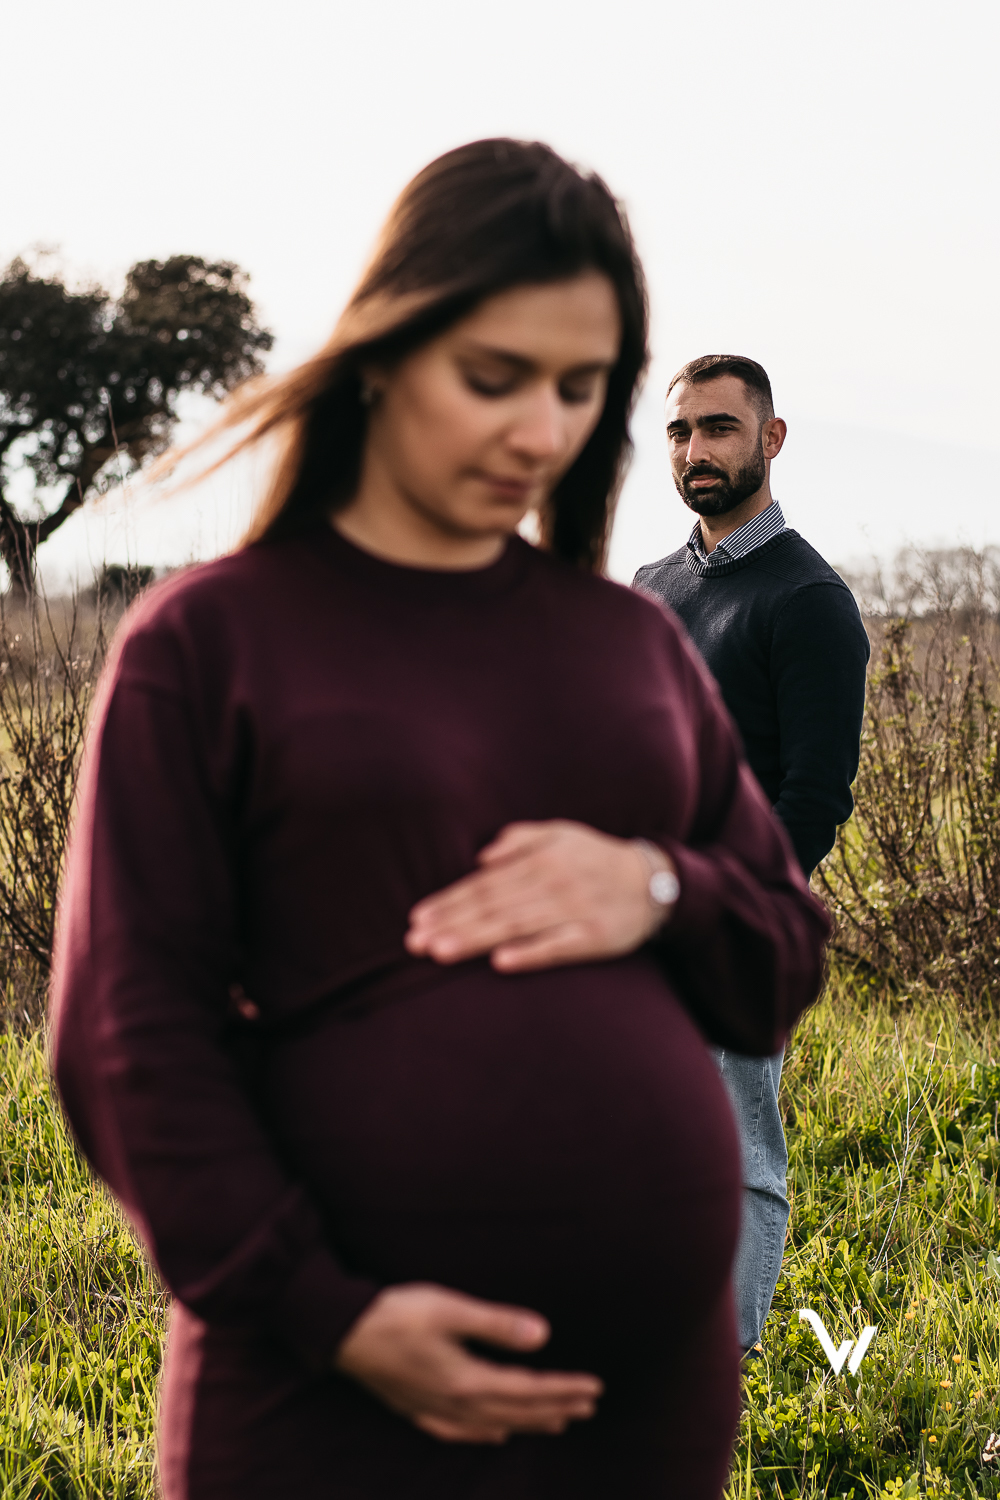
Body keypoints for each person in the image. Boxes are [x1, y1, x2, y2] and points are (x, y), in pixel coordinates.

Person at [51, 146, 829, 1500]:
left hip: (640, 1414)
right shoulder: (212, 642)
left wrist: (655, 888)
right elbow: (125, 1040)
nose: (539, 432)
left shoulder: (631, 646)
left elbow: (779, 956)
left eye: (578, 389)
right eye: (493, 376)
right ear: (384, 350)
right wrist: (332, 1316)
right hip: (329, 1407)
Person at [634, 354, 869, 1357]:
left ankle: (715, 1378)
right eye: (681, 430)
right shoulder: (651, 588)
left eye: (720, 428)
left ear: (770, 439)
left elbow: (812, 799)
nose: (696, 449)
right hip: (633, 914)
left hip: (730, 929)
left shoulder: (807, 598)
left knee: (735, 1160)